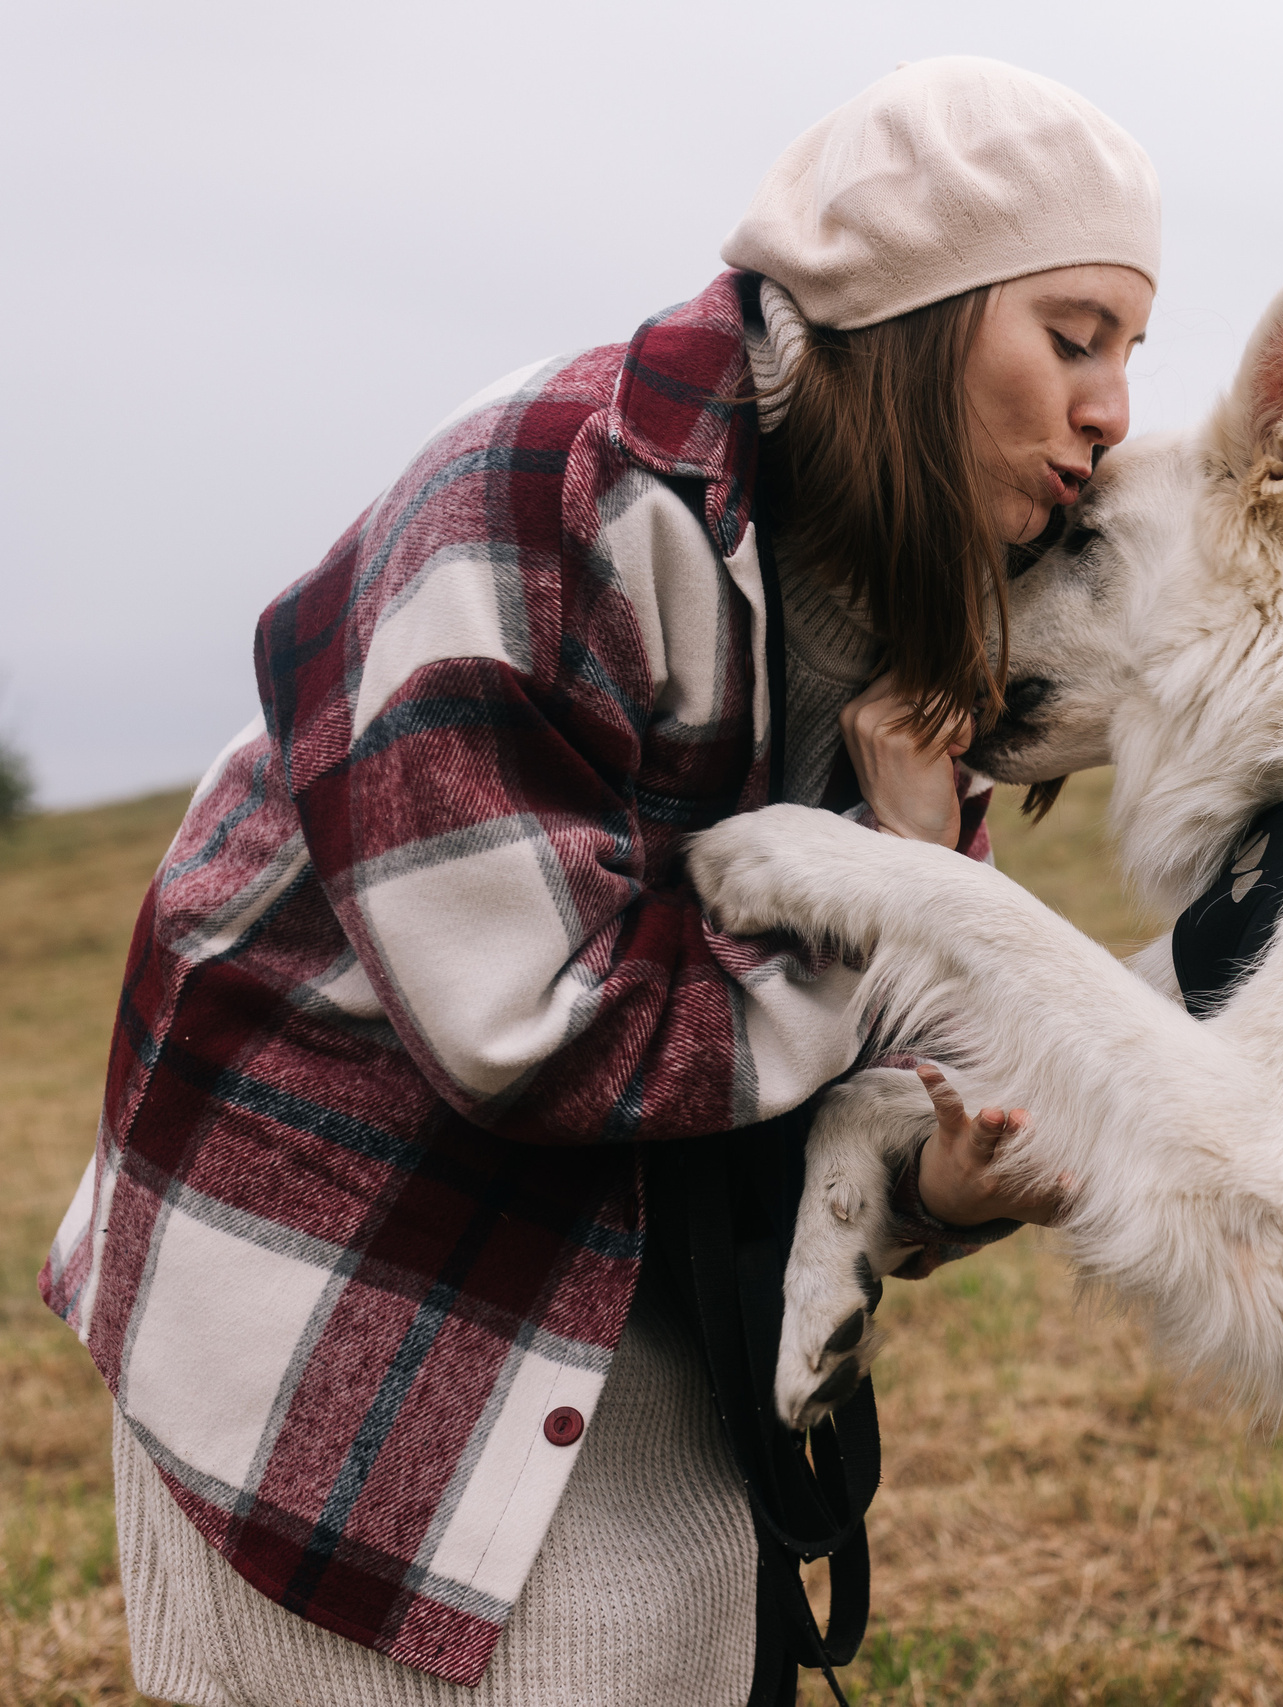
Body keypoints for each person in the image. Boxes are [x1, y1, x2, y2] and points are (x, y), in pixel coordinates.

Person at [37, 57, 1156, 1706]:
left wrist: (933, 1175)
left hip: (631, 1320)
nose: (1115, 411)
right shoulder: (540, 497)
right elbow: (529, 1026)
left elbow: (852, 1054)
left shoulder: (910, 617)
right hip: (340, 1315)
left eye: (1132, 352)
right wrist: (899, 880)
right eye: (1073, 338)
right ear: (916, 315)